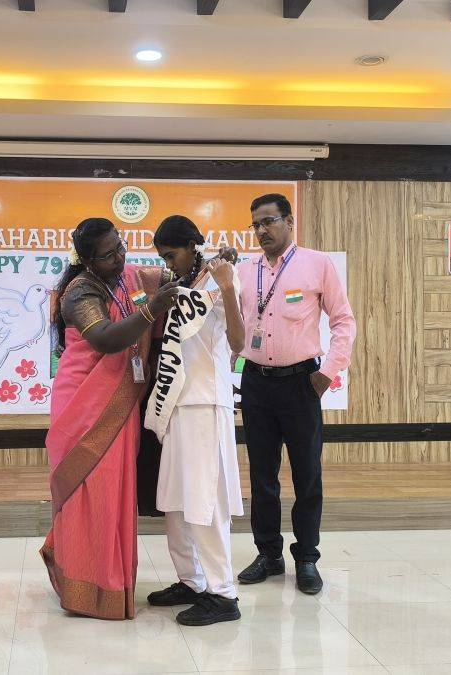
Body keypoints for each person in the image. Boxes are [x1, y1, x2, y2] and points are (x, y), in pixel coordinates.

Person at [40, 217, 180, 620]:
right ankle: (85, 586)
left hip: (120, 401)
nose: (119, 258)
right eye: (108, 255)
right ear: (87, 260)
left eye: (120, 247)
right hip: (84, 403)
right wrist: (151, 311)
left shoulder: (130, 277)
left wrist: (215, 264)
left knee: (114, 493)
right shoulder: (79, 291)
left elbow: (179, 275)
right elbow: (103, 338)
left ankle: (113, 583)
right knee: (88, 493)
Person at [234, 193, 356, 595]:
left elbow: (344, 322)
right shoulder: (244, 270)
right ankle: (268, 554)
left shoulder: (317, 264)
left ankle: (306, 558)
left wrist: (327, 374)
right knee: (262, 475)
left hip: (301, 383)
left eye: (268, 221)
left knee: (307, 474)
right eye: (256, 224)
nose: (261, 230)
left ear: (289, 222)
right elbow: (231, 325)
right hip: (255, 383)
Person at [144, 215, 246, 626]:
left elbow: (238, 341)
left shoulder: (222, 278)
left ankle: (222, 594)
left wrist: (227, 286)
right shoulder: (180, 284)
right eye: (163, 258)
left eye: (172, 255)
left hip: (206, 403)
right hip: (175, 405)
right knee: (175, 501)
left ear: (192, 245)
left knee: (205, 500)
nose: (168, 264)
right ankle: (192, 581)